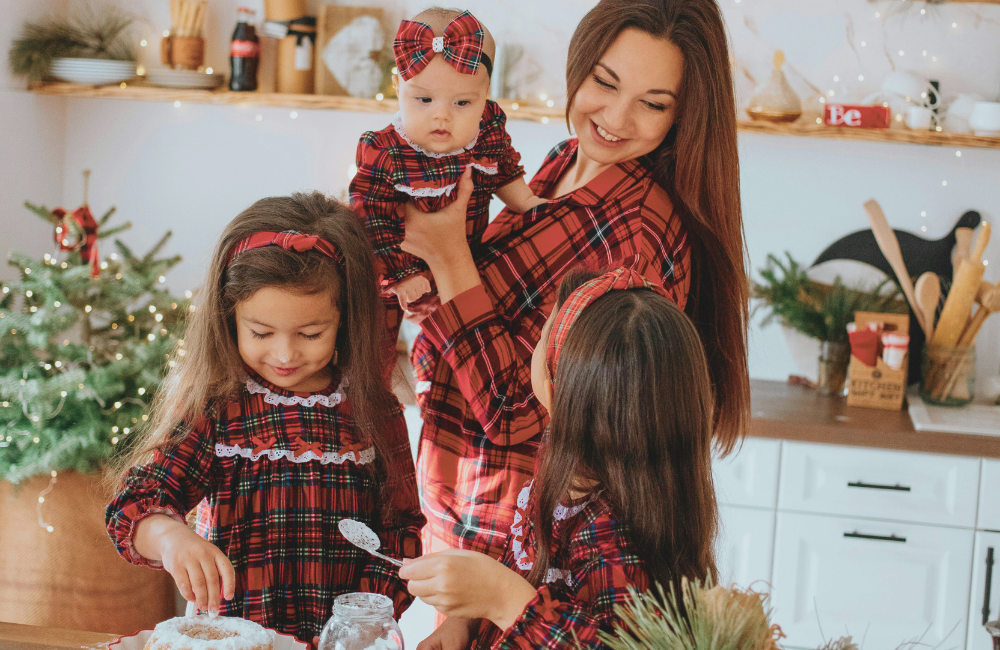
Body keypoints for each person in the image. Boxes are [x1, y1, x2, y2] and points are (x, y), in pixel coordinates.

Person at [400, 0, 749, 568]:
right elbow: (494, 318)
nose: (614, 117)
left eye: (652, 103)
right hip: (465, 516)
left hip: (530, 556)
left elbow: (520, 409)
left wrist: (448, 258)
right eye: (603, 82)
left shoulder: (636, 245)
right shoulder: (565, 163)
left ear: (684, 115)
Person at [105, 193, 425, 643]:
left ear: (347, 319)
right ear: (228, 317)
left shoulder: (375, 411)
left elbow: (400, 533)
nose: (284, 354)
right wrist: (171, 538)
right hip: (238, 639)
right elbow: (136, 502)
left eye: (310, 333)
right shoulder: (218, 406)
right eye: (260, 332)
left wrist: (360, 620)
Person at [400, 267, 720, 649]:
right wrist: (465, 622)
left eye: (541, 338)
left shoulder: (610, 531)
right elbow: (524, 558)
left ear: (555, 393)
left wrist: (504, 599)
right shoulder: (565, 471)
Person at [351, 8, 545, 310]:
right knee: (383, 333)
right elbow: (371, 219)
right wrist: (400, 275)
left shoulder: (485, 129)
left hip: (465, 264)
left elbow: (502, 170)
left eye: (463, 102)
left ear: (485, 95)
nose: (441, 114)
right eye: (424, 100)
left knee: (456, 328)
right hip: (399, 271)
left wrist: (527, 203)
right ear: (398, 88)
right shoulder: (386, 151)